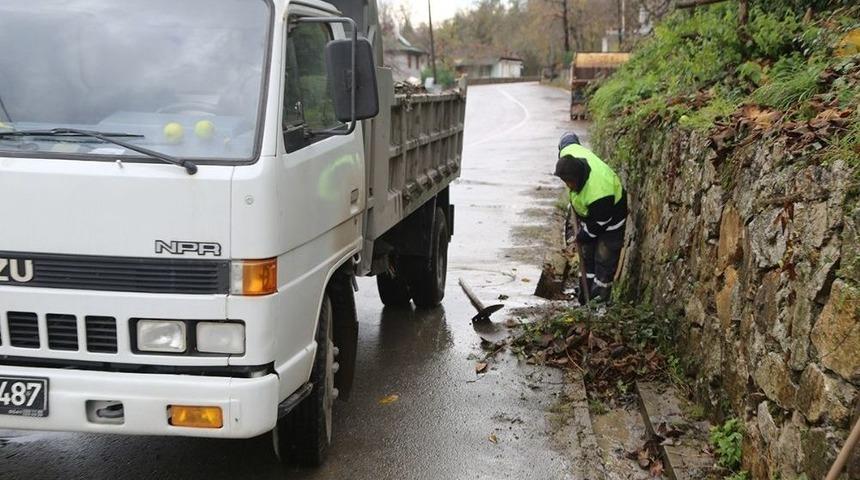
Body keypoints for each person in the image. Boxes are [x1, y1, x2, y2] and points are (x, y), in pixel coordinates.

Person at [554, 132, 627, 303]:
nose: (567, 186)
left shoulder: (599, 191)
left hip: (610, 219)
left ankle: (598, 303)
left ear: (578, 178)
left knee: (604, 258)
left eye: (569, 182)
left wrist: (582, 235)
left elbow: (600, 223)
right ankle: (584, 297)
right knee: (586, 256)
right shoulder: (569, 155)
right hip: (590, 216)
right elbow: (567, 139)